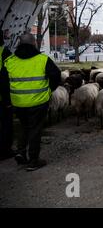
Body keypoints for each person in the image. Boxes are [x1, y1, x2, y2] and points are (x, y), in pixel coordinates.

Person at [0, 33, 61, 171]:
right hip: (39, 102)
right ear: (34, 43)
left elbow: (3, 83)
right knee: (35, 129)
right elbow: (56, 76)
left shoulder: (10, 61)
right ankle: (33, 160)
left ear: (19, 44)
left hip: (19, 103)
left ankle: (21, 153)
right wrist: (49, 90)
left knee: (24, 126)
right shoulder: (43, 60)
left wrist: (8, 100)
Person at [0, 30, 14, 160]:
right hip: (2, 99)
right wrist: (8, 100)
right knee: (5, 125)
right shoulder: (5, 53)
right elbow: (6, 78)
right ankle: (5, 150)